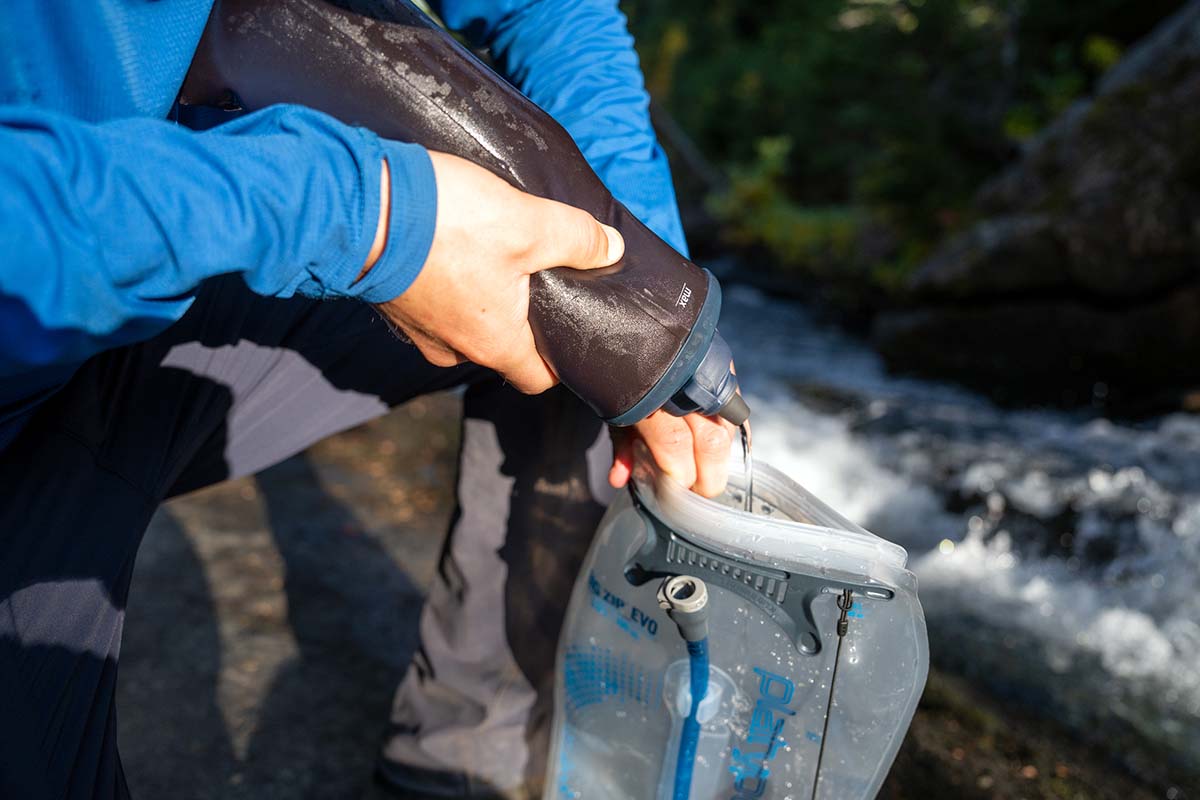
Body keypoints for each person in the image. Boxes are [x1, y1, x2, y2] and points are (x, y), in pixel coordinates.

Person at [0, 1, 737, 798]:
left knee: (572, 328)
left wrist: (653, 327)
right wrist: (370, 219)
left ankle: (458, 762)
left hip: (160, 264)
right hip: (41, 298)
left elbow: (548, 9)